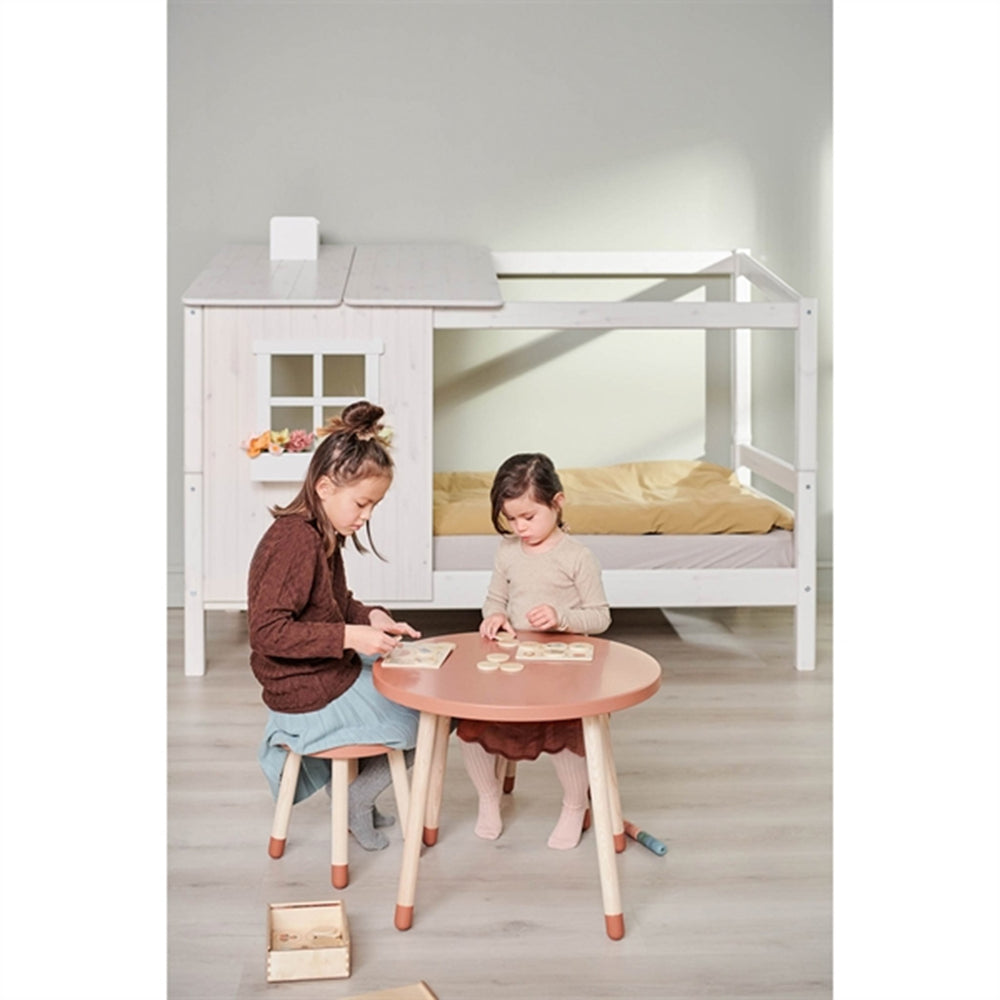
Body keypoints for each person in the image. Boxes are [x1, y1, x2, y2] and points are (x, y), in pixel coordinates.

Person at [247, 400, 420, 851]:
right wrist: (350, 636)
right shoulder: (294, 541)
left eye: (373, 506)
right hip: (305, 689)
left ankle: (356, 796)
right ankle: (356, 798)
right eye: (362, 503)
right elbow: (267, 632)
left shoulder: (320, 535)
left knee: (411, 681)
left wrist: (371, 617)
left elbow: (334, 604)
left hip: (321, 674)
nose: (367, 516)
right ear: (324, 486)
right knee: (426, 715)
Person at [457, 453, 611, 850]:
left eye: (528, 517)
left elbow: (600, 617)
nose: (520, 527)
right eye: (511, 519)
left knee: (568, 733)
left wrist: (562, 618)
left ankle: (575, 805)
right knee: (471, 728)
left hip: (562, 671)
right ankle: (488, 797)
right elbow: (495, 599)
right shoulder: (508, 551)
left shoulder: (577, 557)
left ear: (557, 503)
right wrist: (493, 617)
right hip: (513, 666)